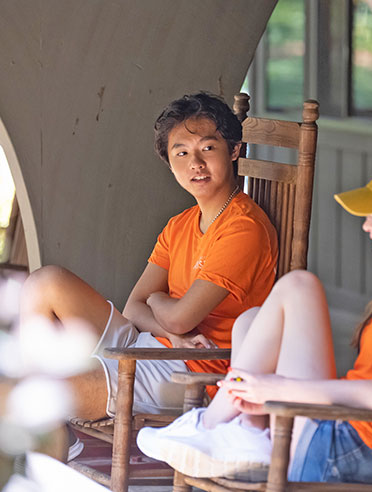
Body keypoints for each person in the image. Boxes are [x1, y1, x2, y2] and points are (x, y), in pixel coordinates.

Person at [136, 154, 372, 484]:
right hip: (342, 433)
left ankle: (214, 424)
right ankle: (247, 429)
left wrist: (277, 388)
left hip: (353, 448)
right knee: (250, 319)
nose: (366, 225)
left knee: (299, 285)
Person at [19, 93, 278, 430]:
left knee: (44, 390)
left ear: (233, 150)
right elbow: (134, 309)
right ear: (169, 162)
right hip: (149, 343)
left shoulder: (244, 228)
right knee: (45, 282)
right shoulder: (181, 224)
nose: (195, 163)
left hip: (192, 370)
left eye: (207, 148)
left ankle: (51, 438)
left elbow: (181, 318)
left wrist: (158, 301)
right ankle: (51, 431)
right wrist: (165, 320)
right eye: (181, 152)